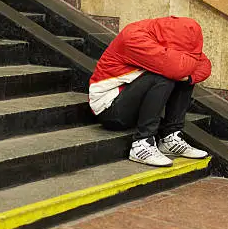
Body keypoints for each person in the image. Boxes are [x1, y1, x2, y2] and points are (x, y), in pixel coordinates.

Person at [88, 16, 212, 167]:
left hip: (133, 105)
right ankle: (142, 144)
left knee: (187, 77)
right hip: (110, 109)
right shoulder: (133, 37)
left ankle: (170, 137)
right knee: (166, 76)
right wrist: (187, 69)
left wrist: (189, 76)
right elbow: (176, 68)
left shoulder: (169, 35)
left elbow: (205, 65)